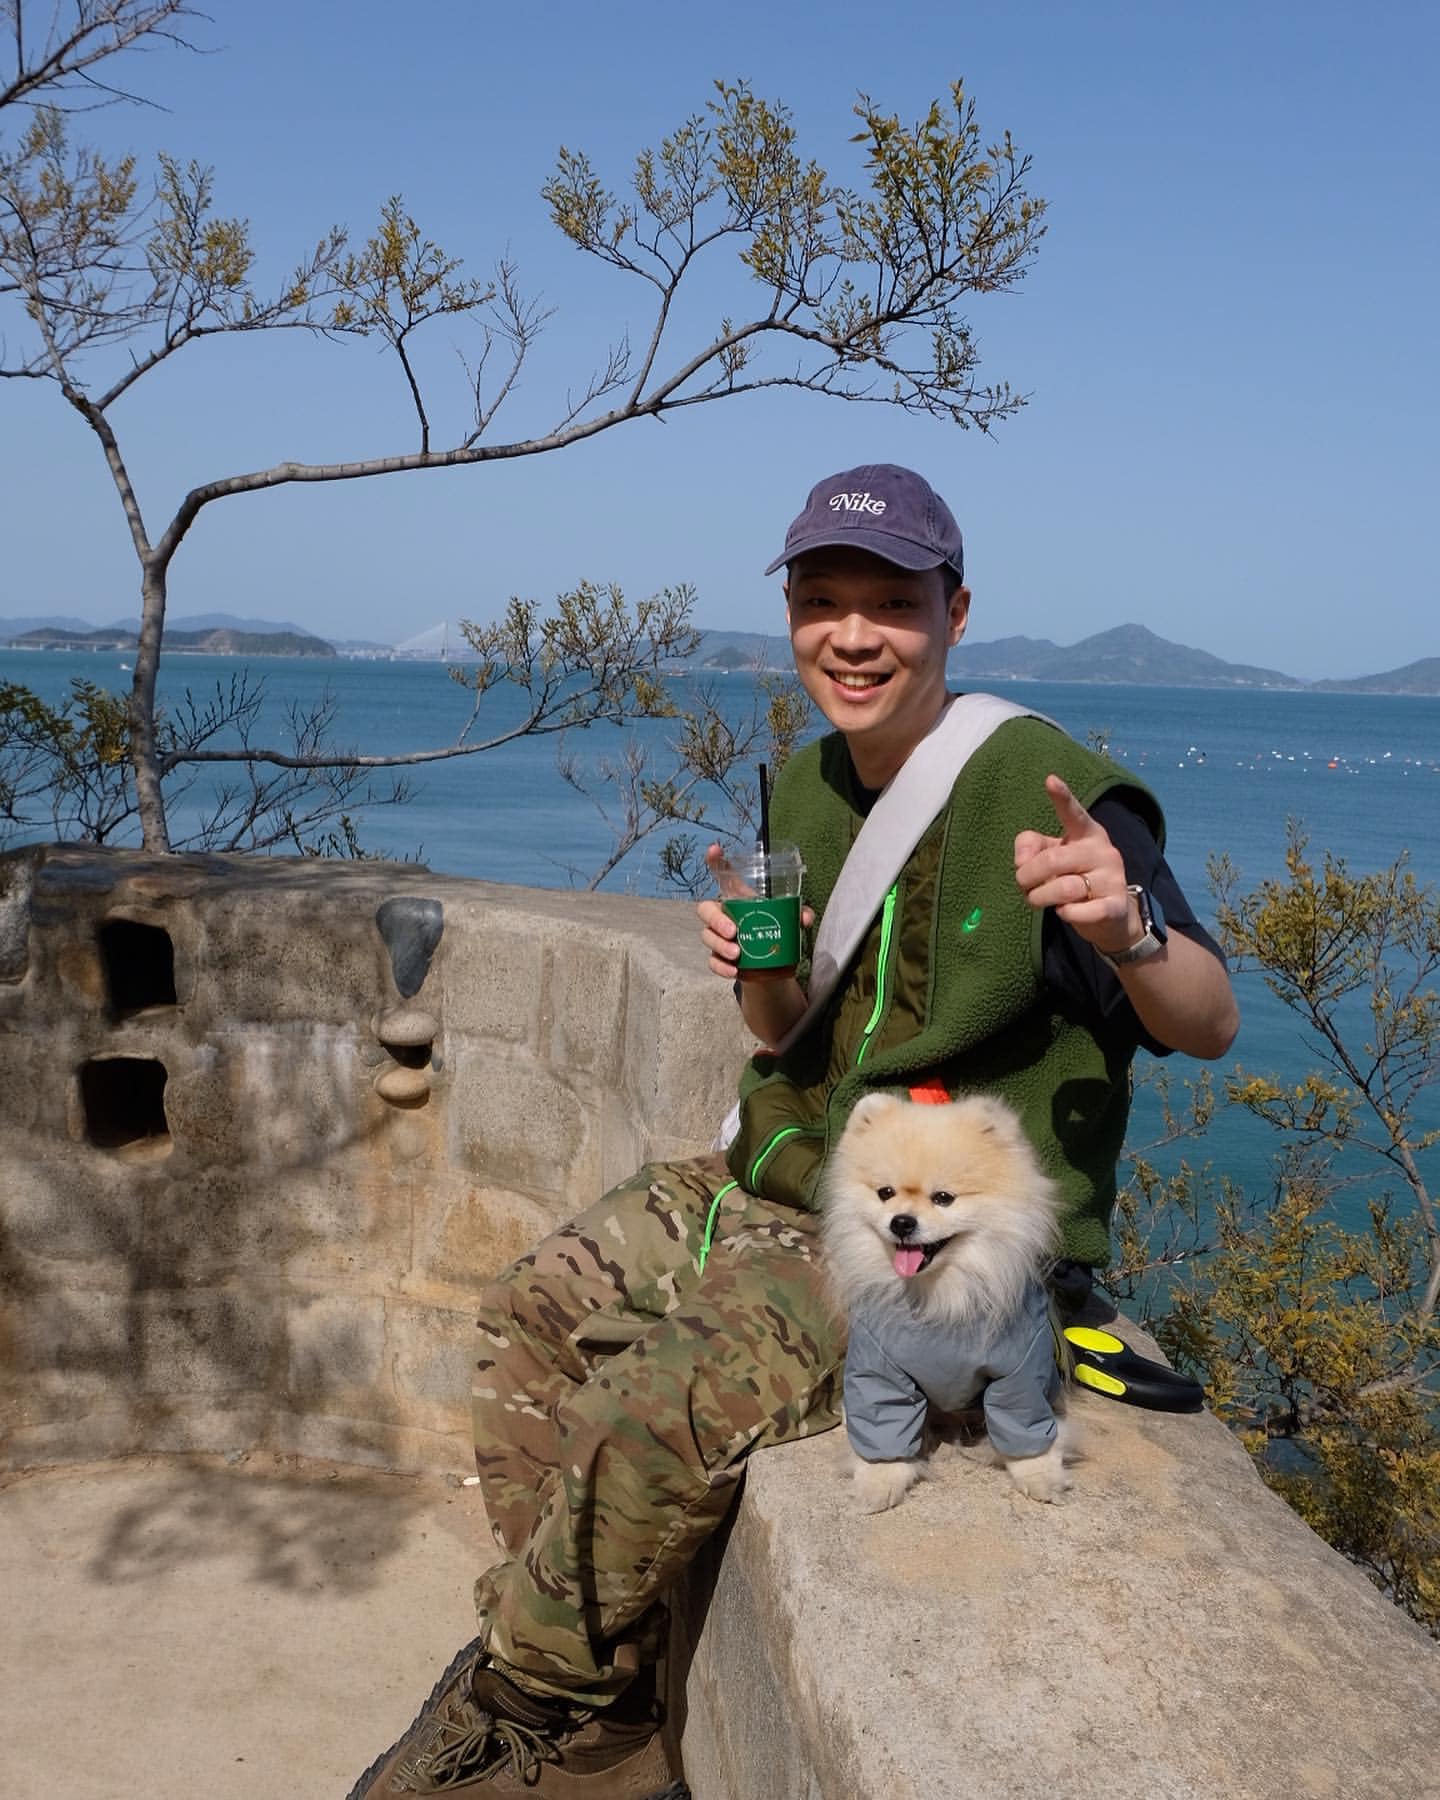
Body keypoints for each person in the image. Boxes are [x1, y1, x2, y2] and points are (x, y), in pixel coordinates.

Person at [350, 464, 1239, 1799]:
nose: (854, 635)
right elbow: (780, 1032)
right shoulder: (811, 784)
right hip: (779, 1164)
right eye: (823, 602)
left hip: (928, 1236)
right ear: (791, 617)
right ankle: (602, 1688)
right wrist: (754, 965)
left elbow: (1209, 1022)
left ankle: (527, 1703)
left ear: (955, 612)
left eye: (893, 604)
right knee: (531, 1307)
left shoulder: (1049, 791)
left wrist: (1131, 931)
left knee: (656, 1405)